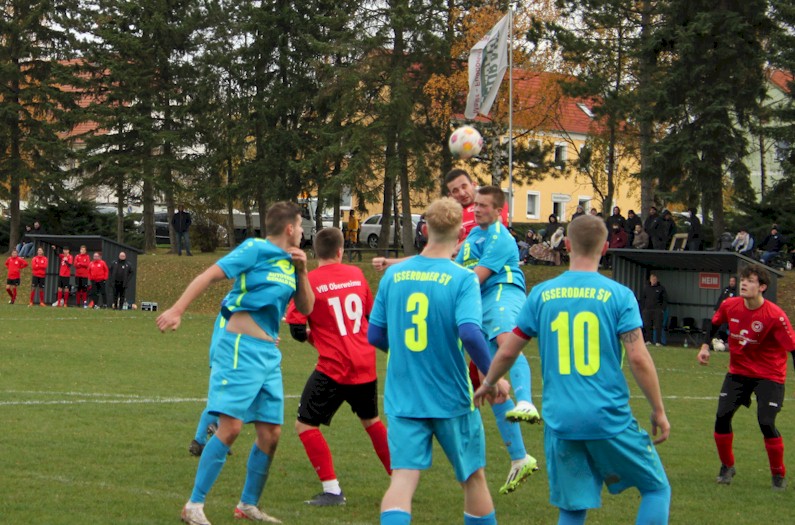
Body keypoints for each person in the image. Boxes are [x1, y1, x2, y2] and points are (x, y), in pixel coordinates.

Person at [475, 214, 671, 525]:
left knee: (572, 509)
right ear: (605, 248)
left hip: (561, 420)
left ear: (566, 245)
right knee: (656, 489)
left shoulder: (541, 294)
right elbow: (638, 358)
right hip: (608, 417)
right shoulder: (619, 295)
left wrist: (489, 382)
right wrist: (658, 410)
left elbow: (509, 349)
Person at [156, 201, 314, 525]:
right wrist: (177, 310)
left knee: (271, 433)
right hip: (240, 348)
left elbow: (307, 306)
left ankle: (247, 505)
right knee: (230, 428)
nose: (302, 231)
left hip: (270, 355)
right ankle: (194, 506)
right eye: (299, 226)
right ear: (288, 228)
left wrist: (303, 271)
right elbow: (208, 275)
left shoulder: (291, 262)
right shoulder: (254, 249)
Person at [367, 197, 509, 525]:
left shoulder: (394, 275)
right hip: (451, 397)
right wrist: (493, 377)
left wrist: (403, 352)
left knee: (402, 479)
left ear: (425, 229)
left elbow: (374, 336)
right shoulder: (463, 278)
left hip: (404, 396)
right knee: (473, 478)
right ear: (461, 233)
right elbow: (471, 334)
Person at [284, 227, 391, 506]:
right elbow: (369, 316)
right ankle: (401, 479)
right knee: (372, 422)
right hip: (365, 363)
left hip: (334, 366)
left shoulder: (310, 280)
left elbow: (296, 329)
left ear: (315, 252)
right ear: (341, 251)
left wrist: (317, 339)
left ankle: (332, 490)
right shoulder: (356, 275)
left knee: (305, 425)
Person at [456, 186, 541, 494]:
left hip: (502, 291)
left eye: (483, 205)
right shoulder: (470, 239)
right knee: (486, 378)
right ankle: (519, 457)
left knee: (508, 341)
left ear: (498, 211)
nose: (476, 209)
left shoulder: (500, 237)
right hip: (480, 302)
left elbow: (474, 276)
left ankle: (527, 401)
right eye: (475, 204)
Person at [697, 264, 795, 491]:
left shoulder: (775, 316)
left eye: (750, 281)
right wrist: (705, 346)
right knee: (722, 416)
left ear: (762, 287)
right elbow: (713, 324)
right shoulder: (730, 305)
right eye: (743, 279)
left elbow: (792, 348)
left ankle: (778, 474)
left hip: (769, 375)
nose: (743, 283)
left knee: (766, 422)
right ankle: (727, 466)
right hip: (738, 372)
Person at [640, 273, 668, 347]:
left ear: (657, 280)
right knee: (647, 325)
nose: (654, 280)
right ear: (650, 279)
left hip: (658, 310)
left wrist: (662, 309)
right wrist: (643, 309)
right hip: (647, 310)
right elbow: (643, 299)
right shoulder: (646, 288)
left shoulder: (661, 288)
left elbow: (665, 300)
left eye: (655, 279)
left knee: (658, 326)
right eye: (652, 279)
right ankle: (648, 340)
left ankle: (658, 342)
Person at [712, 276, 737, 348]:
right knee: (719, 325)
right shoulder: (726, 289)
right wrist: (715, 309)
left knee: (728, 327)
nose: (731, 282)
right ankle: (718, 341)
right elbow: (720, 299)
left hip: (731, 314)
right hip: (722, 312)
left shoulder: (736, 291)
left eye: (733, 281)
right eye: (730, 281)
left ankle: (725, 341)